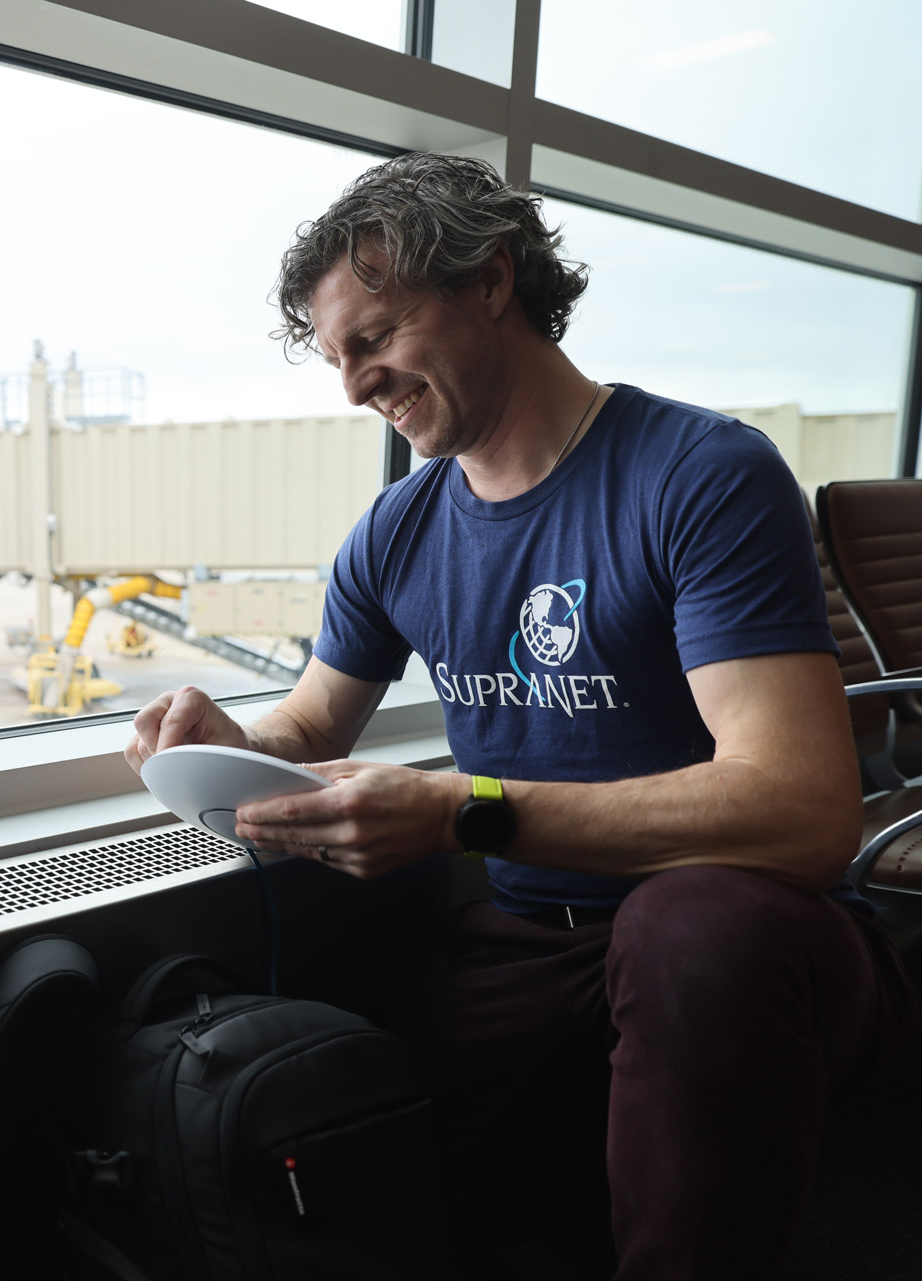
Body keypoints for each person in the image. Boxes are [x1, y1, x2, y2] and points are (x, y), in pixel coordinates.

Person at [125, 153, 916, 1279]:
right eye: (337, 356)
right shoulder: (397, 531)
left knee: (687, 928)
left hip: (760, 938)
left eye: (375, 338)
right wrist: (223, 749)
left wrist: (464, 812)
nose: (355, 385)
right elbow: (309, 730)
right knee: (387, 1191)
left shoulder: (702, 477)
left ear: (491, 282)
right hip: (533, 950)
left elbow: (801, 811)